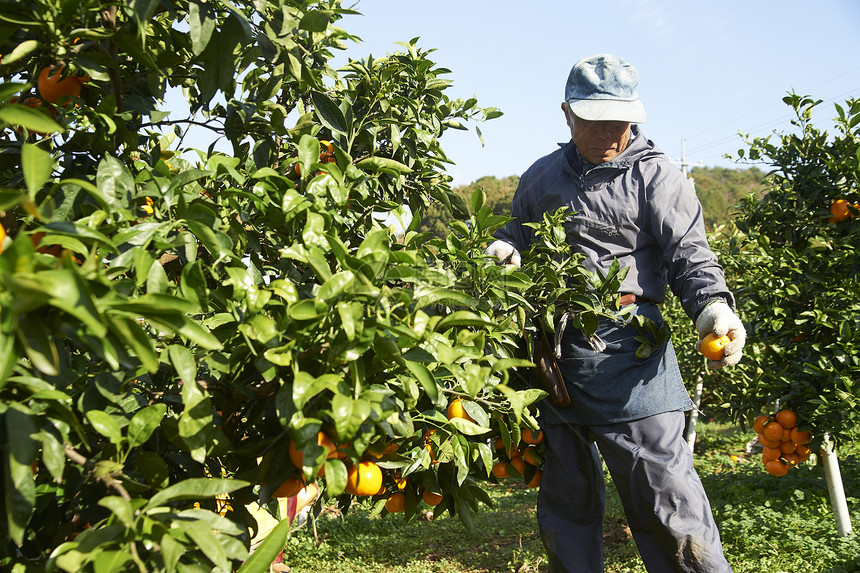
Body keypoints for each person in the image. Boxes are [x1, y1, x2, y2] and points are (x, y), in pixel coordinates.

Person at [486, 54, 745, 572]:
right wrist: (503, 249)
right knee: (567, 503)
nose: (609, 130)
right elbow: (515, 233)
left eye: (619, 119)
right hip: (556, 353)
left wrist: (713, 308)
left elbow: (689, 255)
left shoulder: (658, 177)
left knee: (667, 497)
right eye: (593, 118)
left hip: (632, 355)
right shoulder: (542, 177)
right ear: (566, 114)